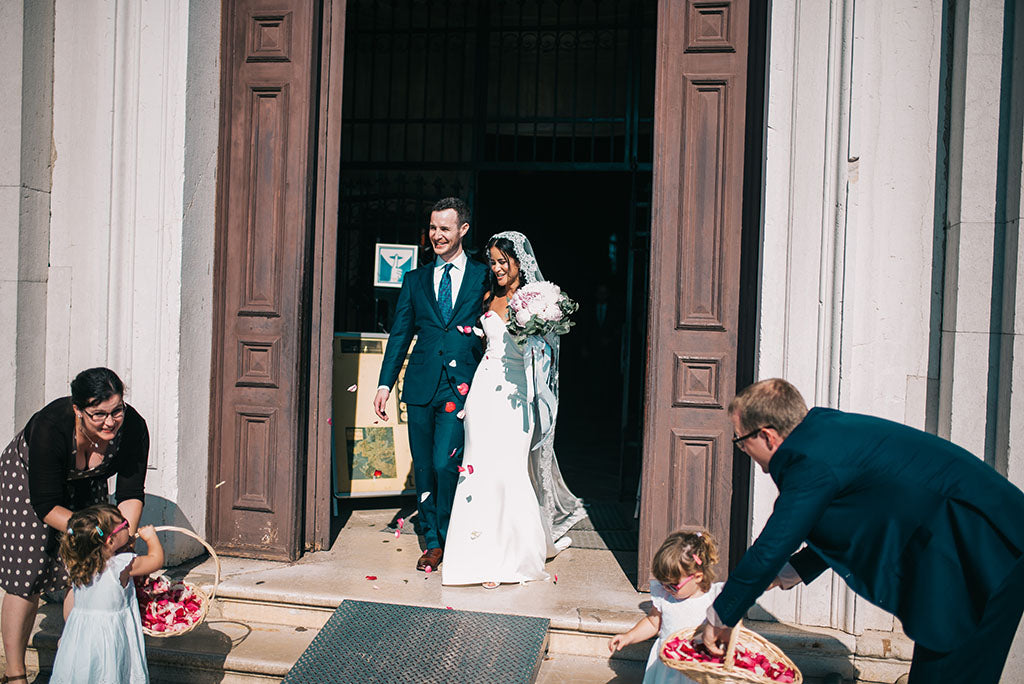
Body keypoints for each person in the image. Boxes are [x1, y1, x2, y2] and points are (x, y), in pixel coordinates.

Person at [700, 378, 1024, 684]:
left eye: (741, 441)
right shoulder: (825, 436)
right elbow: (855, 520)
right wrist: (788, 573)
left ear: (768, 436)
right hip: (975, 545)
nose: (743, 451)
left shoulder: (807, 460)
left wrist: (720, 616)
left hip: (980, 549)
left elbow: (772, 545)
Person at [441, 231, 585, 587]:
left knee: (510, 469)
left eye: (503, 261)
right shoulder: (488, 296)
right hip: (484, 390)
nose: (497, 268)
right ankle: (474, 555)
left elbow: (547, 355)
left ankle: (512, 556)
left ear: (520, 262)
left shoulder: (538, 300)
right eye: (492, 261)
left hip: (519, 393)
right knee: (478, 470)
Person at [0, 368, 148, 684]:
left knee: (86, 567)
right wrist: (93, 534)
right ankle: (14, 674)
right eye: (99, 414)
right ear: (77, 410)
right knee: (28, 572)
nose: (110, 421)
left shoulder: (133, 427)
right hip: (30, 486)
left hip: (86, 482)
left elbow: (131, 493)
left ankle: (73, 652)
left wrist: (122, 536)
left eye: (117, 410)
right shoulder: (50, 427)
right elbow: (45, 506)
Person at [373, 198, 489, 572]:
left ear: (463, 230)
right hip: (421, 386)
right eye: (433, 228)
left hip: (462, 387)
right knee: (423, 466)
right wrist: (384, 384)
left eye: (445, 228)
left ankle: (452, 532)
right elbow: (400, 334)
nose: (437, 235)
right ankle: (434, 544)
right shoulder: (415, 279)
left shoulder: (482, 276)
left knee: (445, 464)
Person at [48, 504, 163, 683]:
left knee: (85, 673)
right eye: (124, 524)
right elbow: (156, 560)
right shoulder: (121, 565)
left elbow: (74, 603)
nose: (127, 525)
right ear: (110, 542)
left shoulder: (77, 564)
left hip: (81, 635)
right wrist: (151, 538)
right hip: (110, 638)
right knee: (109, 671)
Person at [609, 530, 723, 683]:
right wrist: (629, 636)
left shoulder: (714, 597)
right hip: (668, 667)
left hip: (699, 667)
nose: (667, 588)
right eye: (663, 584)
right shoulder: (665, 596)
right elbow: (652, 622)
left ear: (697, 577)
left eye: (673, 586)